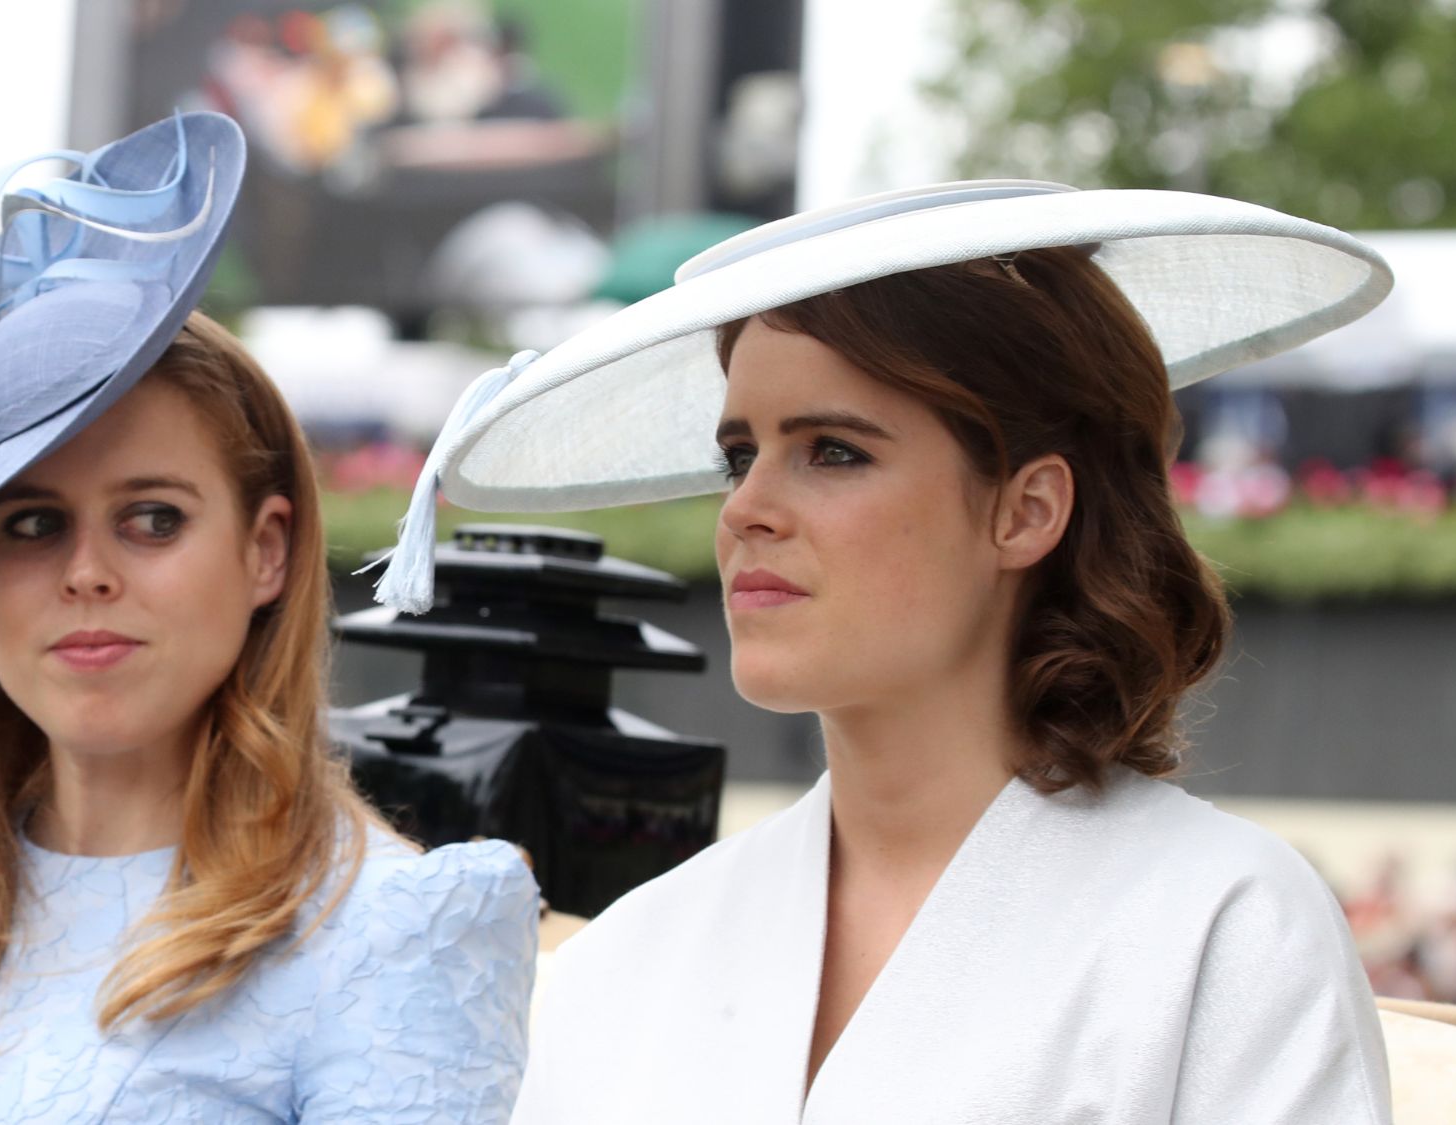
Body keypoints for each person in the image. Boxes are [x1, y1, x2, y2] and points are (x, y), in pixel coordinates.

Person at [373, 181, 1396, 1121]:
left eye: (832, 451)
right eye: (739, 455)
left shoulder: (1220, 926)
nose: (745, 508)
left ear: (1025, 509)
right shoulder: (632, 953)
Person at [0, 112, 537, 1123]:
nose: (87, 573)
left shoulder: (391, 929)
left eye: (153, 519)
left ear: (266, 550)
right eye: (33, 524)